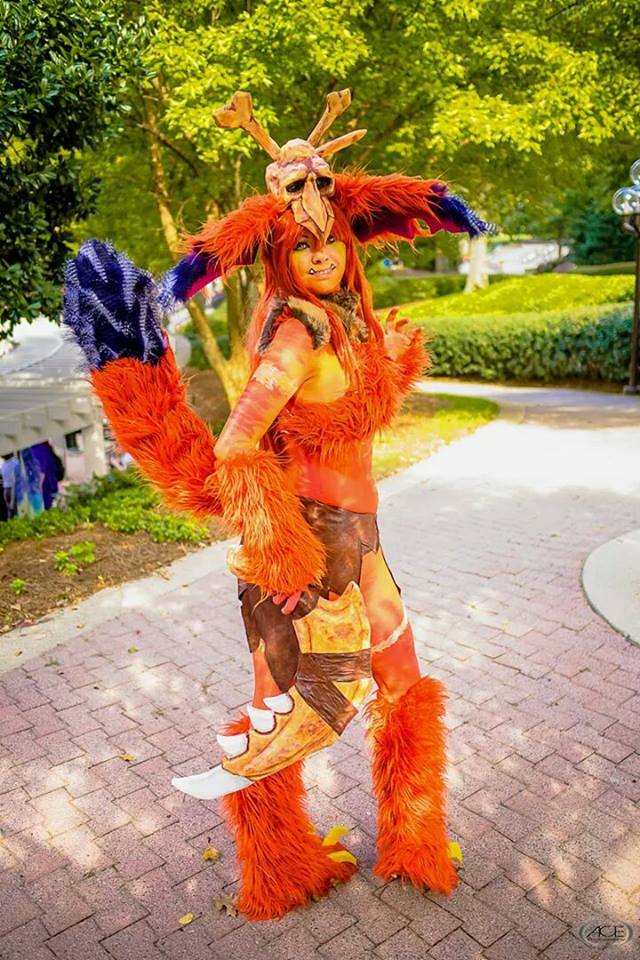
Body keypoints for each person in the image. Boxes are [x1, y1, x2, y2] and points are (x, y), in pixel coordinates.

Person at [63, 89, 491, 921]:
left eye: (330, 238)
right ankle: (280, 870)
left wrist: (393, 363)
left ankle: (414, 840)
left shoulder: (344, 318)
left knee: (401, 683)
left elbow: (344, 419)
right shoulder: (298, 332)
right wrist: (281, 549)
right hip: (307, 548)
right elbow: (233, 448)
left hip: (361, 540)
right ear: (280, 253)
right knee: (285, 711)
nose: (320, 253)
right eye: (301, 243)